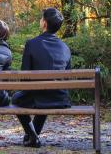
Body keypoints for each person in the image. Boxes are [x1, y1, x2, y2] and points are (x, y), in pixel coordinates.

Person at [12, 8, 71, 148]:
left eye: (41, 18)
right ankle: (33, 136)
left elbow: (24, 77)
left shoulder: (32, 44)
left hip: (38, 96)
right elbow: (67, 78)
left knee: (16, 99)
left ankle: (32, 136)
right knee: (44, 95)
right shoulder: (65, 47)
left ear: (44, 23)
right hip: (60, 98)